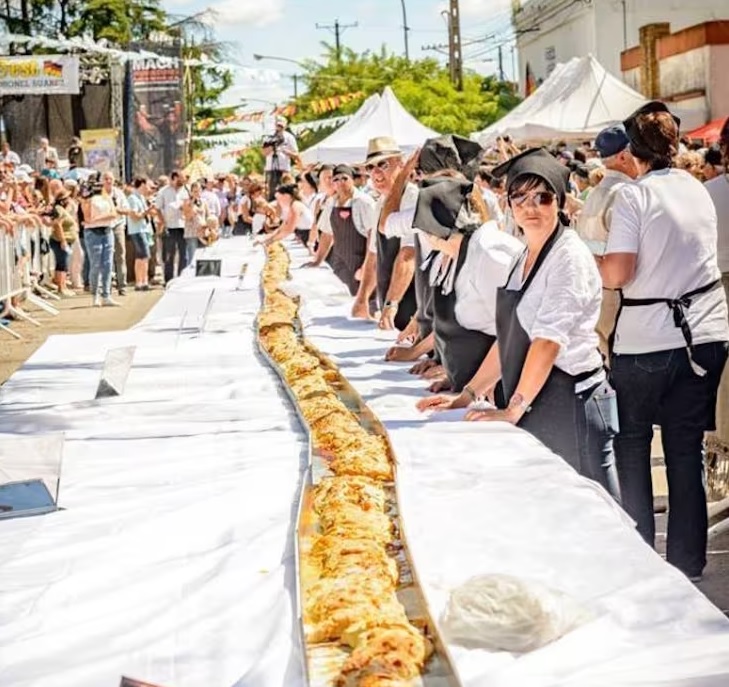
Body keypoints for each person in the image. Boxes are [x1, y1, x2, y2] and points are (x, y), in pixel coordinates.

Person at [430, 148, 620, 497]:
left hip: (573, 404)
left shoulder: (569, 258)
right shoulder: (523, 254)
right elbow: (511, 337)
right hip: (539, 400)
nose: (530, 208)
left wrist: (512, 409)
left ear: (561, 202)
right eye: (520, 197)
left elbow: (546, 343)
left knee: (596, 522)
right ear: (508, 204)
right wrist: (469, 393)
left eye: (542, 197)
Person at [599, 101, 729, 581]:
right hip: (707, 334)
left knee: (632, 444)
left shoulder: (634, 196)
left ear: (632, 154)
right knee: (685, 448)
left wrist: (585, 261)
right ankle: (688, 566)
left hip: (650, 338)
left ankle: (639, 564)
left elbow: (619, 272)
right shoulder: (697, 190)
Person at [404, 177, 522, 393]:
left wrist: (474, 390)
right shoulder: (450, 255)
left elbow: (514, 334)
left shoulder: (490, 254)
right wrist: (453, 374)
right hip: (472, 387)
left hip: (500, 391)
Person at [574, 124, 638, 360]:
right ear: (624, 155)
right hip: (616, 290)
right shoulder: (625, 192)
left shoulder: (596, 192)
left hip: (595, 287)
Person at [364, 136, 418, 330]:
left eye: (382, 164)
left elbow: (408, 254)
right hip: (389, 308)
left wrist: (391, 303)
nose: (376, 172)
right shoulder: (379, 203)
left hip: (412, 306)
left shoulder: (412, 198)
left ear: (401, 164)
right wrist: (362, 298)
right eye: (370, 167)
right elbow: (373, 255)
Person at [305, 166, 376, 296]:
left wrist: (367, 266)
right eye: (336, 179)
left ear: (352, 180)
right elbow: (327, 234)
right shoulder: (331, 203)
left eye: (345, 178)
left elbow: (373, 236)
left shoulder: (364, 202)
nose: (340, 182)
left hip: (361, 262)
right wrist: (318, 260)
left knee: (363, 301)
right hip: (339, 263)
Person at [81, 173, 120, 307]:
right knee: (95, 264)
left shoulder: (107, 197)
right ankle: (95, 294)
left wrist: (99, 218)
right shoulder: (87, 199)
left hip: (106, 231)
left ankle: (106, 294)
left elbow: (114, 213)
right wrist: (87, 196)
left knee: (108, 264)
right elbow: (87, 217)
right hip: (93, 232)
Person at [154, 170, 189, 283]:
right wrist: (163, 222)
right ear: (174, 178)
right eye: (181, 178)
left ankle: (181, 278)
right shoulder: (163, 192)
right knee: (169, 255)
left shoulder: (185, 190)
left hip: (183, 225)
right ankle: (169, 280)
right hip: (169, 226)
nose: (183, 180)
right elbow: (158, 208)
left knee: (184, 254)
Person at [102, 171, 130, 296]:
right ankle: (107, 285)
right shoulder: (99, 194)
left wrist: (116, 209)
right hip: (104, 226)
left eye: (110, 179)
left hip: (118, 225)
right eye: (106, 179)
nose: (108, 181)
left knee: (120, 255)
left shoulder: (119, 194)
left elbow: (127, 210)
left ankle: (122, 285)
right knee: (106, 257)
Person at [47, 191, 79, 297]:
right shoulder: (59, 209)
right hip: (59, 240)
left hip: (64, 239)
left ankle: (63, 285)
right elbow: (58, 224)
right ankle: (61, 287)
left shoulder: (62, 209)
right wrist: (63, 240)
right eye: (67, 198)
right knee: (62, 263)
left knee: (62, 263)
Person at [126, 177, 154, 291]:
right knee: (142, 255)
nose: (148, 188)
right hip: (137, 230)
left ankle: (144, 281)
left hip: (144, 229)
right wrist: (147, 211)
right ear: (142, 184)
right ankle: (139, 282)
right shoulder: (132, 198)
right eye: (147, 185)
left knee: (144, 256)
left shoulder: (142, 197)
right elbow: (134, 216)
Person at [263, 116, 298, 200]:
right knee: (273, 194)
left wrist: (286, 152)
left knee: (286, 192)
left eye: (281, 126)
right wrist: (273, 145)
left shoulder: (289, 137)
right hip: (271, 170)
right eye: (278, 125)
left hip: (284, 170)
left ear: (285, 126)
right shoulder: (269, 137)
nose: (279, 128)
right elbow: (264, 152)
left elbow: (296, 154)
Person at [182, 182, 209, 265]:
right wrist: (191, 207)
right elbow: (187, 217)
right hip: (192, 233)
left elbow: (207, 215)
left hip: (203, 232)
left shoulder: (204, 202)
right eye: (195, 191)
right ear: (191, 192)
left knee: (203, 255)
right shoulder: (187, 202)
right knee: (192, 257)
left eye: (199, 191)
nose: (197, 193)